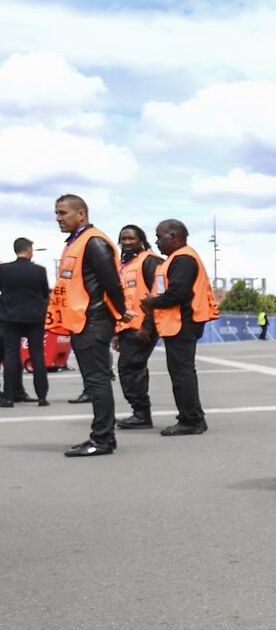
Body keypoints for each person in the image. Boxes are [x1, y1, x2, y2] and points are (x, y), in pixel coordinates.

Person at [46, 195, 133, 456]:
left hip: (93, 321)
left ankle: (103, 440)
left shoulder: (93, 242)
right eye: (56, 213)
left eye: (63, 213)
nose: (58, 218)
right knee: (95, 380)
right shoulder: (77, 242)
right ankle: (102, 436)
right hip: (82, 321)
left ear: (81, 214)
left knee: (97, 381)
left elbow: (111, 283)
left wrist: (121, 312)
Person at [141, 219, 218, 436]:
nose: (156, 241)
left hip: (183, 324)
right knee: (181, 372)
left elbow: (177, 293)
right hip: (177, 324)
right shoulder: (176, 259)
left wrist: (151, 302)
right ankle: (190, 417)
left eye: (159, 236)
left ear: (174, 236)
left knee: (182, 373)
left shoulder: (183, 259)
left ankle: (191, 420)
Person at [113, 225, 162, 429]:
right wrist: (116, 333)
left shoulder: (150, 261)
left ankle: (141, 413)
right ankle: (140, 412)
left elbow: (158, 295)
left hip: (143, 327)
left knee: (130, 367)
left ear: (141, 240)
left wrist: (148, 326)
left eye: (131, 238)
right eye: (123, 238)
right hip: (127, 327)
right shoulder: (124, 266)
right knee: (133, 368)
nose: (126, 242)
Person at [0, 237, 51, 407]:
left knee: (11, 356)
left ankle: (8, 397)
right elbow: (45, 294)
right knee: (37, 355)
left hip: (10, 317)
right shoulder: (39, 270)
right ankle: (42, 396)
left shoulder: (4, 270)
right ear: (29, 250)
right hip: (34, 318)